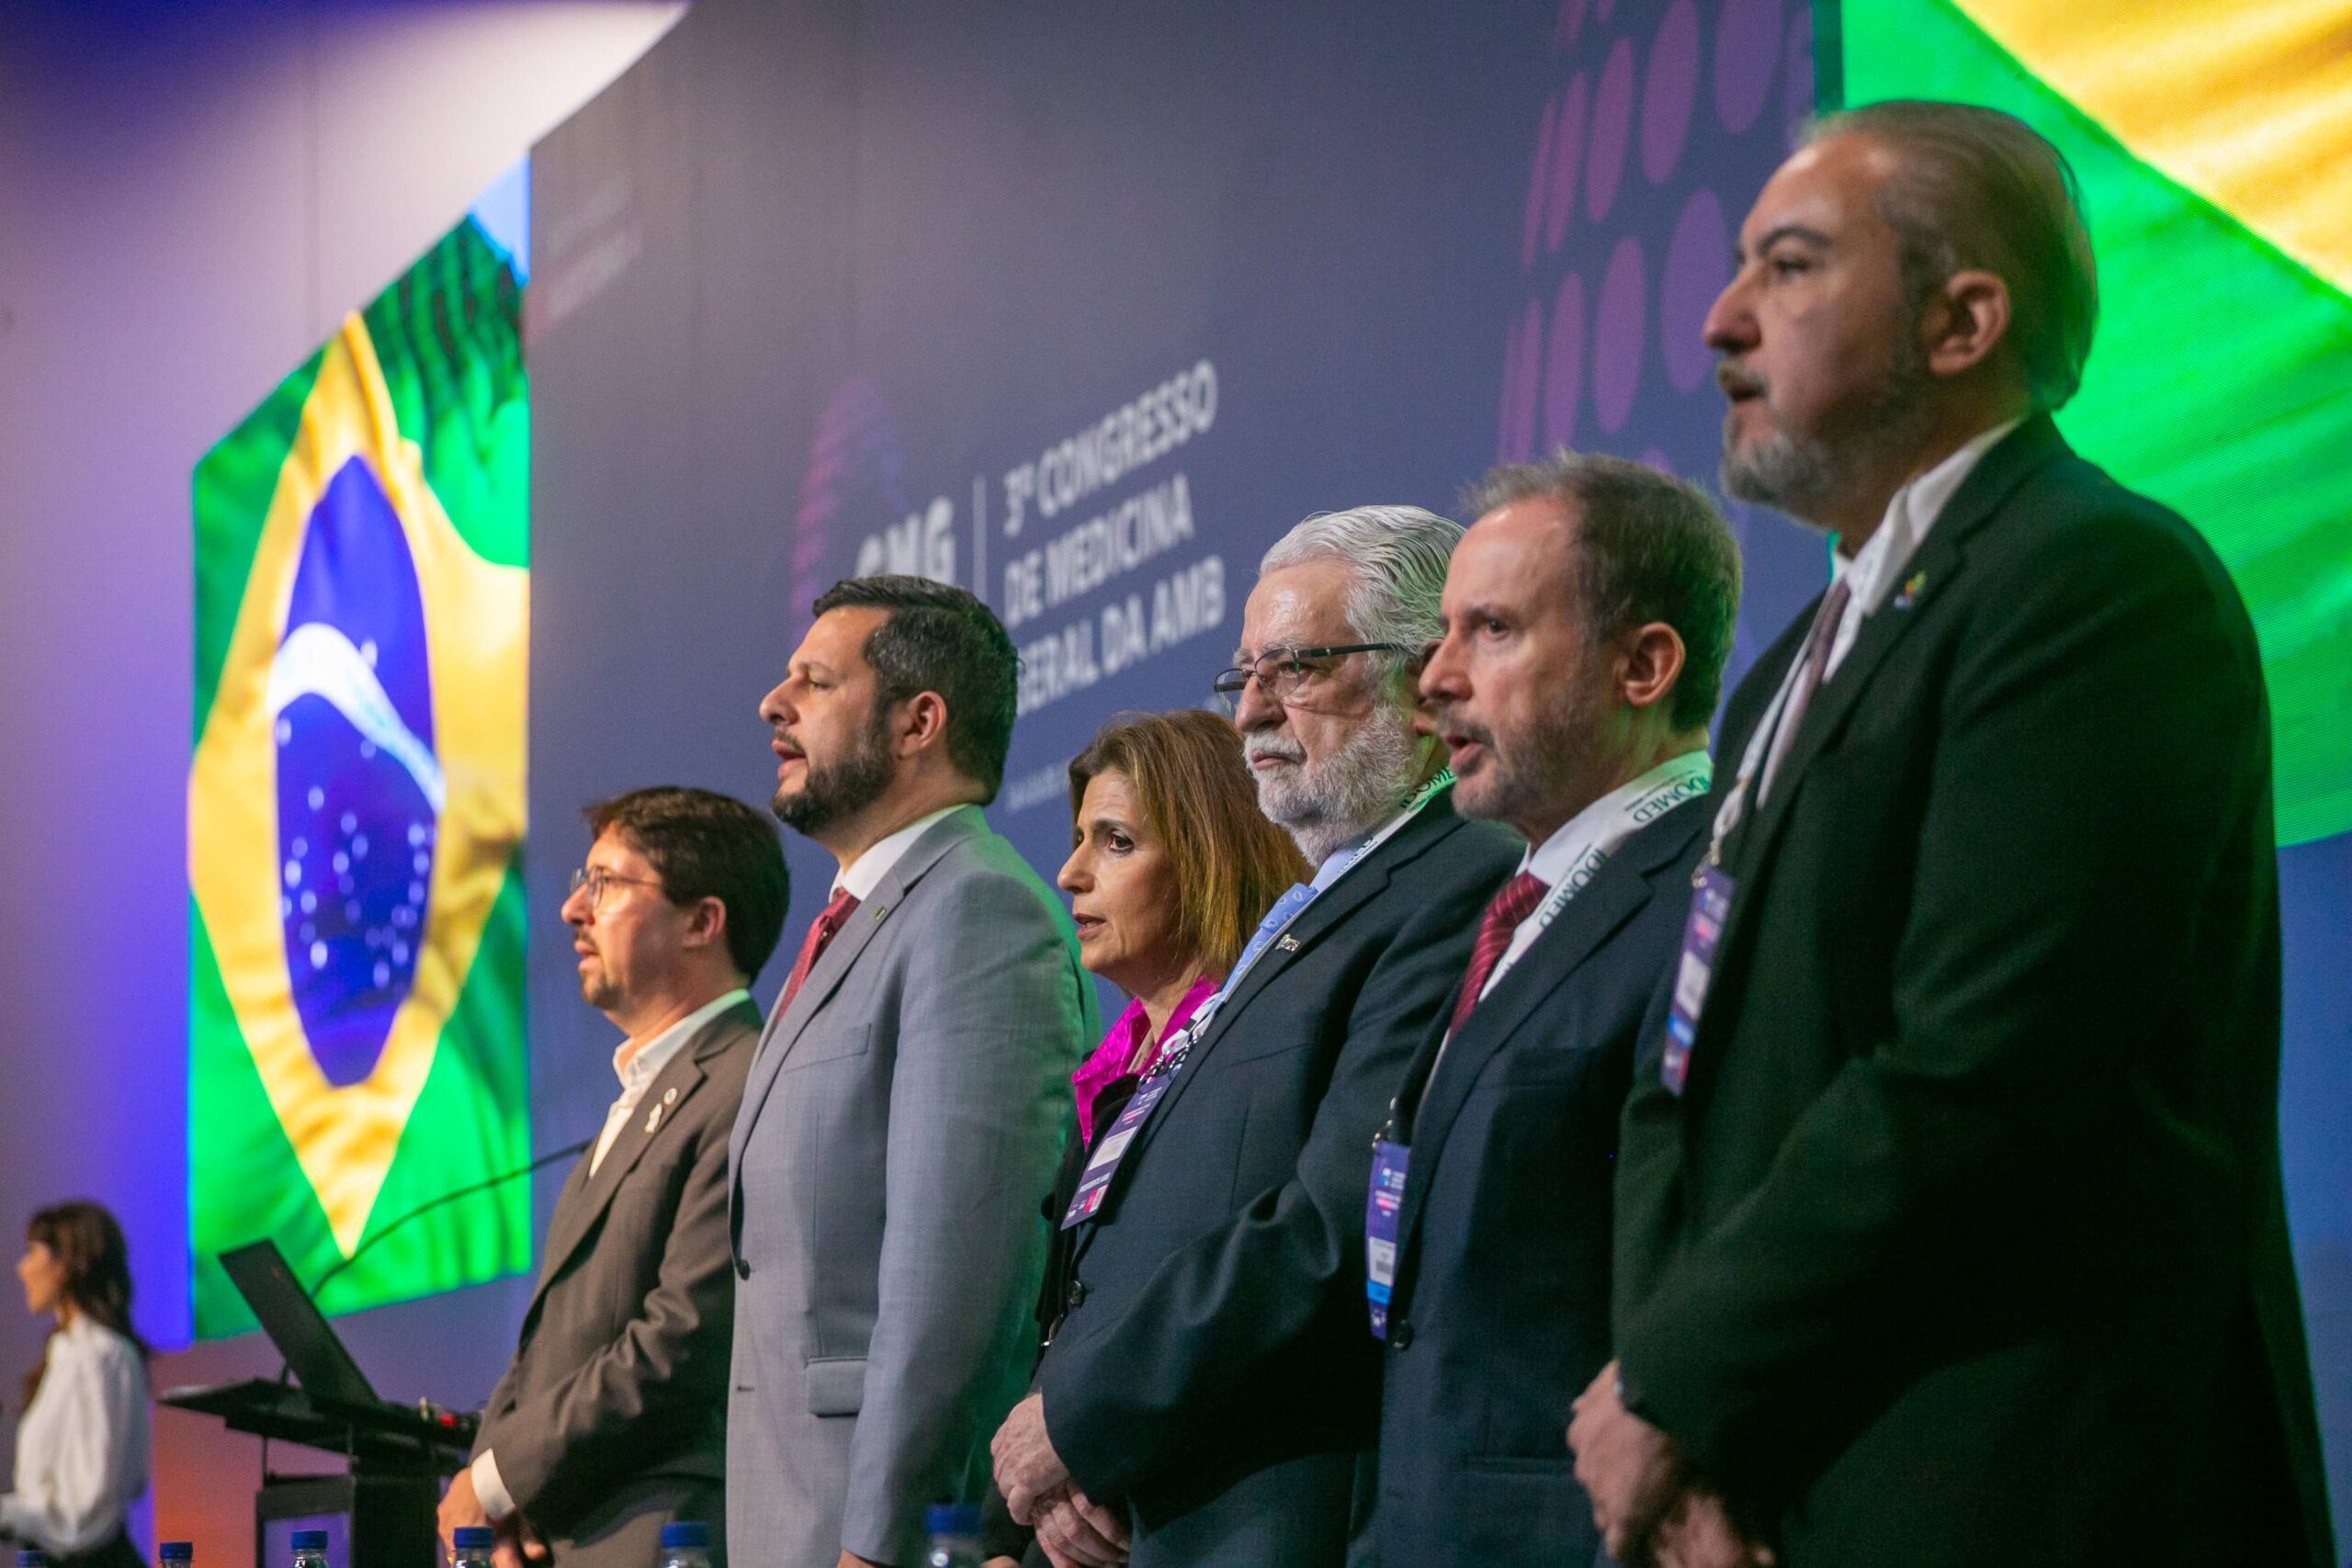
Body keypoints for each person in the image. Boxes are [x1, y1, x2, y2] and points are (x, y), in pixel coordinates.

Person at [1573, 100, 2335, 1568]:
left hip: (2028, 1481)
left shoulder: (2092, 583)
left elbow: (1989, 1063)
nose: (1722, 319)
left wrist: (1678, 1380)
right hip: (1786, 1471)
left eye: (1791, 265)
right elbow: (1684, 1082)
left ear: (1963, 320)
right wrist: (1685, 1419)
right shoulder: (1783, 678)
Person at [990, 507, 1520, 1567]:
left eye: (1297, 669)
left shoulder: (1459, 877)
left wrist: (1083, 1418)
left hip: (1287, 1514)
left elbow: (1338, 1221)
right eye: (1245, 676)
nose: (1251, 713)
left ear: (1425, 679)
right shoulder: (1318, 908)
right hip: (1167, 1505)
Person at [1370, 454, 1737, 1567]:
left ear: (1643, 666)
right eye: (1442, 634)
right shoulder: (1510, 910)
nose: (1434, 681)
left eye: (1490, 630)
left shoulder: (1718, 888)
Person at [729, 575, 1096, 1568]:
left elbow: (958, 1276)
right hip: (787, 1516)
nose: (773, 703)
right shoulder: (858, 923)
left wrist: (887, 1541)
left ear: (917, 723)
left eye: (814, 682)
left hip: (877, 1533)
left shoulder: (978, 912)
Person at [978, 708, 1309, 1568]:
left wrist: (1093, 1460)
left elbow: (1247, 1302)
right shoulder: (1111, 1071)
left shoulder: (1260, 1052)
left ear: (1209, 855)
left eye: (1116, 842)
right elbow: (1064, 1321)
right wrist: (1014, 1524)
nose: (1070, 872)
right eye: (1078, 839)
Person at [439, 787, 788, 1568]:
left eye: (605, 883)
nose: (572, 909)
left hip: (658, 1534)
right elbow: (547, 1346)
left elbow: (684, 1339)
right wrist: (491, 1480)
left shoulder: (747, 1082)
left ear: (702, 921)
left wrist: (496, 1479)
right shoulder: (637, 1100)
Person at [2, 1202, 148, 1568]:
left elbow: (85, 1511)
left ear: (65, 1265)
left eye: (33, 1252)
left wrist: (11, 1515)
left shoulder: (101, 1356)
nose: (22, 1268)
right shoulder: (67, 1353)